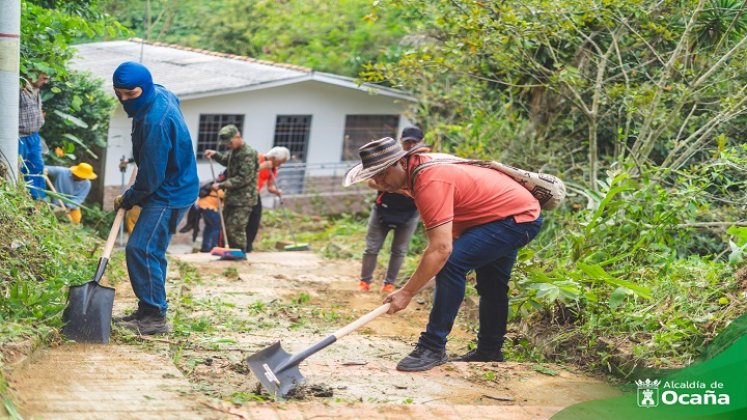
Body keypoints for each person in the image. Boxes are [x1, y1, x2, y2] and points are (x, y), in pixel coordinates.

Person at [343, 137, 542, 372]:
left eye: (383, 174)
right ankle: (490, 350)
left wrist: (407, 293)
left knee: (451, 264)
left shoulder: (429, 179)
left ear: (401, 162)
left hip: (515, 218)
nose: (379, 182)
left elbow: (441, 249)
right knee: (492, 285)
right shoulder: (412, 173)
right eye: (374, 176)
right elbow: (446, 237)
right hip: (500, 217)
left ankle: (432, 346)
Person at [111, 61, 199, 335]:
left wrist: (128, 198)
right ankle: (150, 309)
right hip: (174, 182)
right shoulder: (160, 93)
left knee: (141, 248)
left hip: (170, 191)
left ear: (144, 88)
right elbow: (175, 98)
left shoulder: (154, 123)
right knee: (152, 249)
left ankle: (154, 318)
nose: (124, 99)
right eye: (119, 93)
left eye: (131, 94)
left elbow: (150, 179)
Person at [358, 127, 426, 293]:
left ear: (421, 143)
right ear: (400, 141)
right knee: (372, 247)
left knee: (399, 250)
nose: (410, 145)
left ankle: (389, 284)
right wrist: (391, 186)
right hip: (383, 209)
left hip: (409, 213)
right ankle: (365, 282)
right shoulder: (387, 158)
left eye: (413, 142)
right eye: (407, 142)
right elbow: (370, 182)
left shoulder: (422, 163)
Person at [204, 124, 259, 257]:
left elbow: (243, 178)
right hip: (232, 197)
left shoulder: (248, 153)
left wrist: (221, 185)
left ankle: (240, 255)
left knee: (236, 229)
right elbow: (226, 161)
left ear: (237, 136)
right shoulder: (235, 151)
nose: (228, 146)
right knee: (227, 228)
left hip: (243, 199)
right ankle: (229, 254)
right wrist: (215, 154)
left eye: (229, 142)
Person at [245, 146, 290, 252]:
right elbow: (246, 173)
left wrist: (276, 191)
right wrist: (262, 166)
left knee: (255, 220)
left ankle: (248, 245)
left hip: (255, 194)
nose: (280, 165)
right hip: (244, 192)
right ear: (273, 158)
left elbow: (270, 186)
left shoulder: (273, 168)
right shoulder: (257, 158)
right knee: (243, 220)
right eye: (279, 162)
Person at [18, 70, 50, 199]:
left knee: (37, 167)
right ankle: (19, 197)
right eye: (44, 78)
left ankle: (37, 198)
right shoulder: (19, 89)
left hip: (34, 136)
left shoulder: (36, 91)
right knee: (18, 168)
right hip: (19, 137)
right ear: (34, 75)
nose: (45, 82)